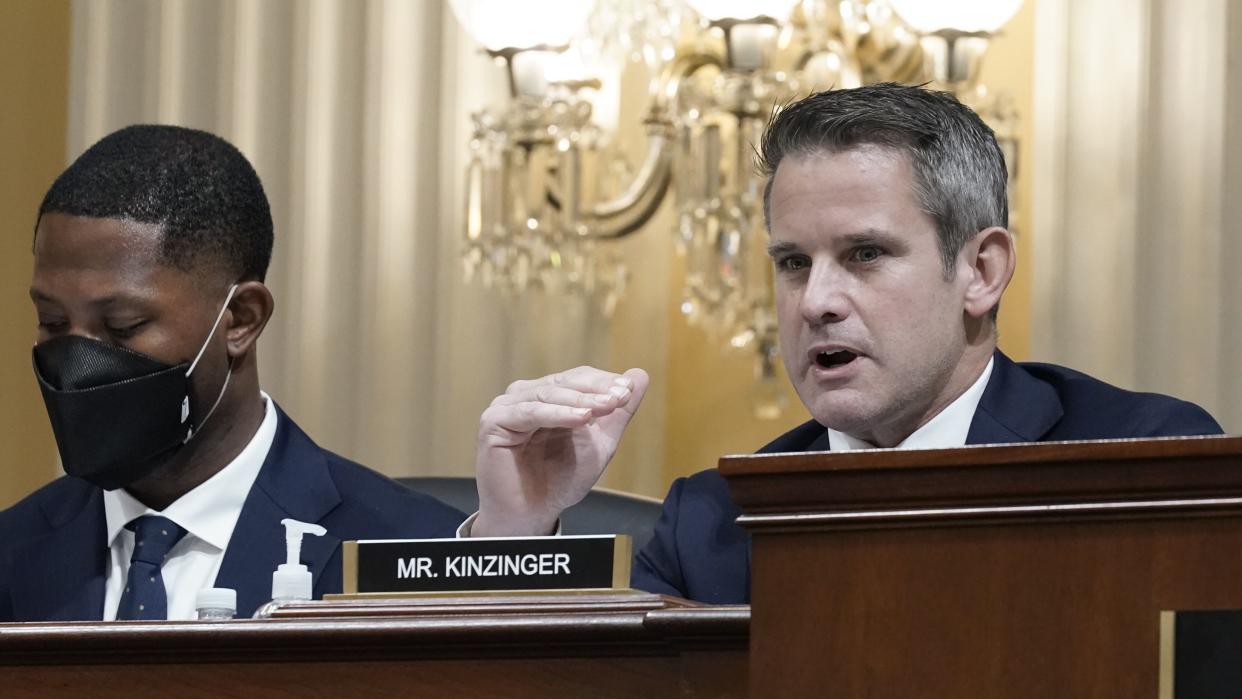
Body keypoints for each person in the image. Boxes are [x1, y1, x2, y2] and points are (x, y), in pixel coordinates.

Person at [470, 83, 1223, 603]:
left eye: (865, 254)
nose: (818, 302)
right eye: (793, 263)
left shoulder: (1140, 462)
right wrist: (516, 532)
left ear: (980, 271)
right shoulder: (712, 525)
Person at [0, 125, 463, 622]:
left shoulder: (409, 548)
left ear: (241, 318)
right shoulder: (12, 551)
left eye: (122, 326)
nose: (79, 363)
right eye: (52, 321)